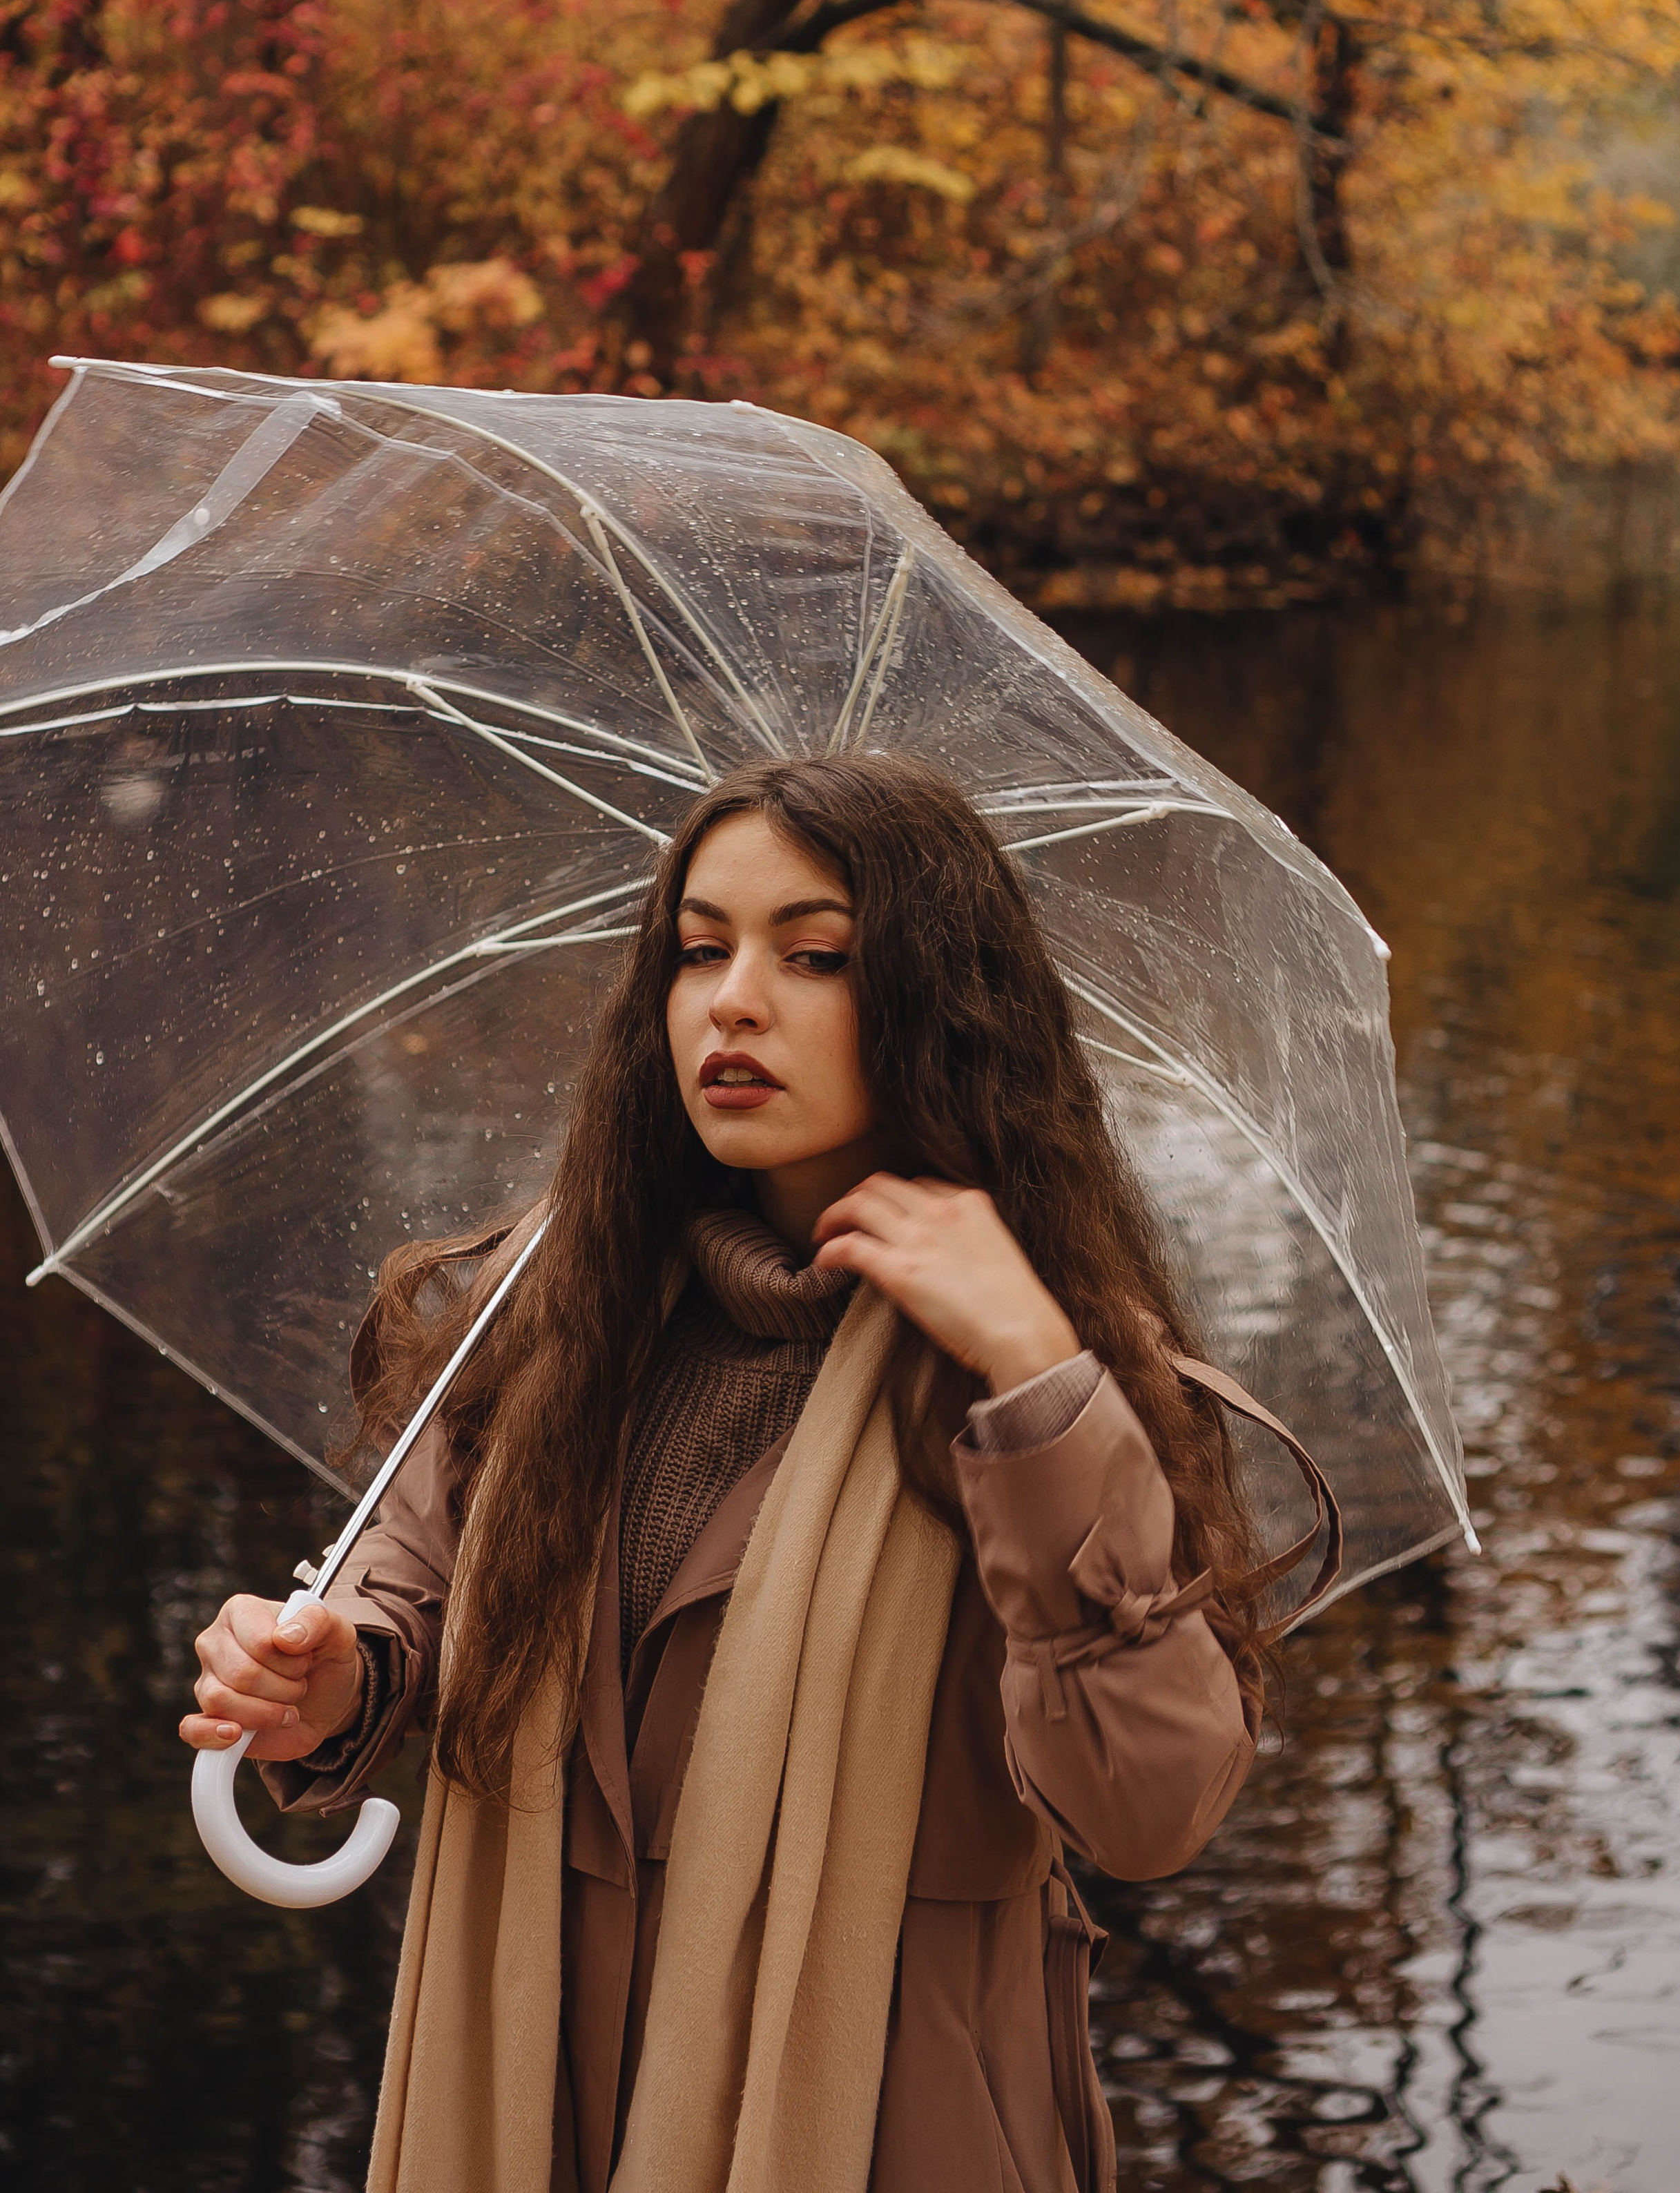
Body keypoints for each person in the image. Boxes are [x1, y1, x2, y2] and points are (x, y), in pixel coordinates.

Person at [181, 753, 1334, 2193]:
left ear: (937, 1008)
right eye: (698, 949)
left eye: (814, 956)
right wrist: (328, 1676)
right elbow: (404, 1602)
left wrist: (1037, 1374)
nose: (732, 1000)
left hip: (879, 2134)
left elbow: (1148, 1808)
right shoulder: (556, 1313)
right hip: (538, 2115)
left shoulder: (1048, 1370)